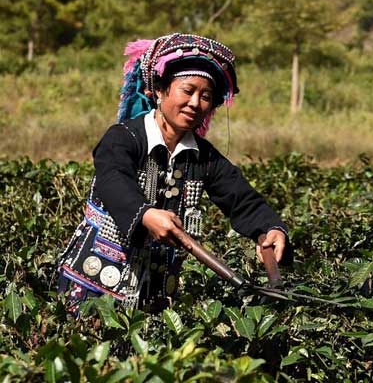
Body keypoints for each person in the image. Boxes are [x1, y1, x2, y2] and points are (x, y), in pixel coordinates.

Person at [57, 33, 289, 313]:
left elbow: (240, 197)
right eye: (188, 91)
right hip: (93, 283)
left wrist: (270, 229)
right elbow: (113, 179)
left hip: (154, 294)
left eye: (206, 97)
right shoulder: (123, 138)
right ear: (160, 91)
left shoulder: (204, 157)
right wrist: (145, 214)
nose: (195, 103)